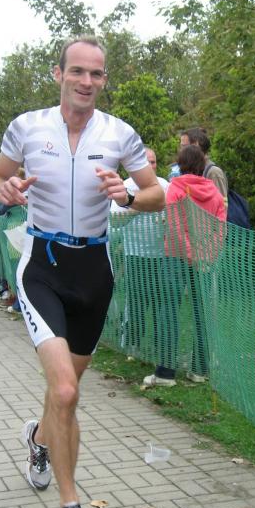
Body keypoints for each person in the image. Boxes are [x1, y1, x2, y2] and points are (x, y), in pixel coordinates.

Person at [0, 35, 164, 508]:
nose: (87, 81)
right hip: (43, 266)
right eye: (77, 71)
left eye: (96, 74)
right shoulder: (27, 126)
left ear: (104, 80)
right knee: (64, 392)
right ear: (58, 73)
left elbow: (157, 193)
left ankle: (39, 440)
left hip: (94, 272)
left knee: (66, 390)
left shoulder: (120, 133)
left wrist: (129, 194)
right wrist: (4, 191)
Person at [144, 144, 226, 387]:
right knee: (202, 313)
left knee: (169, 310)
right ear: (202, 165)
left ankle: (165, 373)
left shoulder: (176, 188)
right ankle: (199, 370)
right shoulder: (214, 192)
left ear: (180, 165)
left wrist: (190, 254)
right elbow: (220, 227)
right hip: (205, 261)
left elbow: (175, 226)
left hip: (176, 257)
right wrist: (206, 254)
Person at [110, 147, 170, 355]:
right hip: (135, 254)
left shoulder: (164, 185)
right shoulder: (125, 187)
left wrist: (167, 219)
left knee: (161, 303)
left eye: (153, 162)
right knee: (136, 303)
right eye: (147, 162)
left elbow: (174, 214)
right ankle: (132, 345)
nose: (151, 166)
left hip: (162, 255)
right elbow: (114, 221)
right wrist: (138, 207)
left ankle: (160, 348)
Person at [180, 127, 228, 204]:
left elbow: (222, 205)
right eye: (181, 146)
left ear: (196, 145)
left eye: (184, 146)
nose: (181, 151)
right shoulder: (190, 170)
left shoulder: (214, 172)